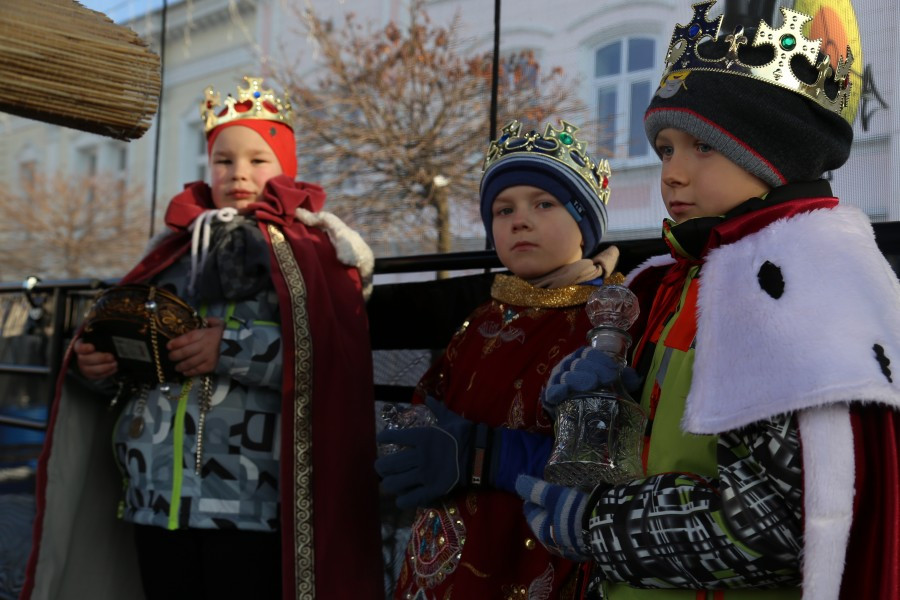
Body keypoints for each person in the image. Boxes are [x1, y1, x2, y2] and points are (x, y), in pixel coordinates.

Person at [515, 2, 900, 599]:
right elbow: (668, 443)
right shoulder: (675, 281)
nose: (671, 173)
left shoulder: (798, 281)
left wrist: (596, 523)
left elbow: (779, 518)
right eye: (666, 149)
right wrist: (606, 403)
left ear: (769, 150)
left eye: (702, 146)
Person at [20, 76, 384, 600]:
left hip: (251, 502)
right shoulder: (171, 253)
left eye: (258, 159)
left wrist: (229, 348)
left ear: (285, 166)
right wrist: (98, 368)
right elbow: (134, 354)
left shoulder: (312, 253)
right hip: (153, 495)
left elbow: (330, 358)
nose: (239, 173)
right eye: (223, 160)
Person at [375, 118, 619, 598]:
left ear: (584, 224)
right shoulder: (481, 317)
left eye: (544, 203)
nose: (519, 220)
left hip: (532, 552)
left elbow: (609, 458)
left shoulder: (608, 322)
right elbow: (430, 397)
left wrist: (487, 456)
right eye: (503, 209)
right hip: (445, 552)